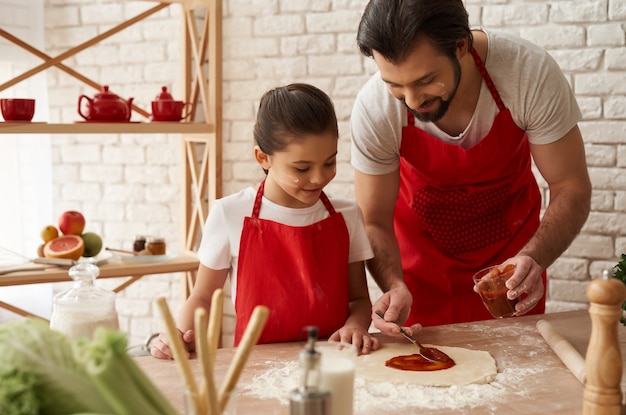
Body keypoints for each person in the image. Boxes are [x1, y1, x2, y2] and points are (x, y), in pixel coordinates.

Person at [351, 0, 592, 335]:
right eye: (394, 85)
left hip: (514, 260)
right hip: (421, 267)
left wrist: (533, 258)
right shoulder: (374, 108)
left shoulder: (527, 73)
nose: (411, 100)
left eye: (426, 80)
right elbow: (374, 219)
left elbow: (571, 187)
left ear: (461, 45)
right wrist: (393, 284)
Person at [151, 83, 379, 359]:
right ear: (263, 157)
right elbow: (203, 297)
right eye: (302, 168)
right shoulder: (229, 214)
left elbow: (358, 299)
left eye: (329, 163)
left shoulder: (347, 214)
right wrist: (181, 338)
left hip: (333, 363)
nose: (319, 178)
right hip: (253, 368)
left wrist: (355, 326)